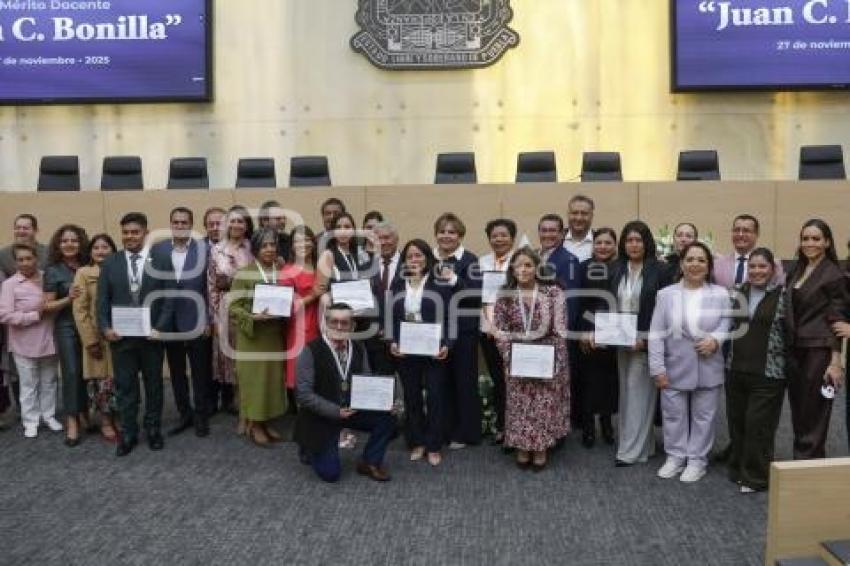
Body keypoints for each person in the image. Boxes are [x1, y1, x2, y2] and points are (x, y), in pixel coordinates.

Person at [649, 242, 731, 483]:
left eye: (701, 260)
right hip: (674, 366)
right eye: (690, 260)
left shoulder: (720, 294)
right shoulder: (665, 295)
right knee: (673, 415)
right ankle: (675, 456)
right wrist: (657, 368)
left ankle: (697, 460)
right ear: (682, 264)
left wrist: (715, 340)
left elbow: (726, 324)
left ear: (708, 266)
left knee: (704, 416)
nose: (695, 264)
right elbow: (656, 333)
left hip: (709, 364)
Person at [97, 212, 174, 457]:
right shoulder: (110, 262)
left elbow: (169, 297)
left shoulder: (161, 260)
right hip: (121, 339)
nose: (130, 236)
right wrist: (105, 328)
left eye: (135, 232)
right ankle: (129, 433)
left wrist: (160, 327)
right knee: (125, 387)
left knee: (154, 386)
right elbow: (102, 301)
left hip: (152, 337)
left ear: (145, 233)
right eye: (126, 232)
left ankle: (153, 429)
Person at [295, 303, 397, 482]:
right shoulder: (310, 350)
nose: (339, 327)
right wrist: (335, 411)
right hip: (322, 415)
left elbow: (366, 381)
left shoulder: (358, 347)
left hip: (351, 410)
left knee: (388, 417)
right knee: (331, 474)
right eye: (334, 322)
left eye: (344, 322)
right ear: (325, 323)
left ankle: (369, 461)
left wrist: (386, 401)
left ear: (352, 326)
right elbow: (303, 394)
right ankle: (309, 447)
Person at [493, 247, 570, 470]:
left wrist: (552, 359)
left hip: (546, 358)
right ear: (512, 269)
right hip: (517, 359)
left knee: (543, 405)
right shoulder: (505, 294)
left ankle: (541, 448)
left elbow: (560, 330)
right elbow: (500, 329)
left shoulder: (553, 293)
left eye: (528, 265)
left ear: (537, 268)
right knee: (519, 405)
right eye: (519, 265)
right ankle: (522, 447)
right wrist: (510, 354)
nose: (524, 269)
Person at [783, 219, 849, 460]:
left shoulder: (834, 275)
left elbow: (837, 320)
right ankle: (801, 465)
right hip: (795, 350)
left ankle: (807, 467)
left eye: (815, 238)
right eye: (805, 238)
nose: (809, 243)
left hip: (819, 353)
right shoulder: (796, 270)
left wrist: (835, 361)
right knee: (800, 413)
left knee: (815, 415)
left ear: (827, 242)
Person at [610, 221, 672, 466]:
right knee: (627, 394)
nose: (634, 245)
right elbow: (609, 306)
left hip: (645, 343)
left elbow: (666, 311)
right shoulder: (616, 269)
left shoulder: (661, 270)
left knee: (638, 394)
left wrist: (645, 341)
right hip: (621, 343)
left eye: (638, 240)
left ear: (647, 243)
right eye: (629, 240)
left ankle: (629, 452)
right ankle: (643, 444)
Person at [726, 248, 787, 493]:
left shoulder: (783, 296)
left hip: (769, 372)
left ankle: (756, 476)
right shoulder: (738, 293)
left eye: (762, 267)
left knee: (758, 425)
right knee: (737, 422)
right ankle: (739, 468)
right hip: (736, 368)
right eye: (752, 267)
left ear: (772, 269)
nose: (757, 271)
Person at [389, 239, 454, 466]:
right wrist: (392, 342)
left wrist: (447, 343)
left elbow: (449, 317)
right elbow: (390, 317)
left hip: (434, 350)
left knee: (435, 397)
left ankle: (434, 444)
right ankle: (417, 441)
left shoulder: (440, 283)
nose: (414, 260)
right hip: (406, 352)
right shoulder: (398, 284)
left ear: (427, 257)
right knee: (412, 397)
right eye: (410, 256)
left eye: (418, 255)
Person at [151, 207, 213, 438]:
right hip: (168, 321)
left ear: (191, 224)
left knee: (199, 372)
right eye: (175, 222)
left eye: (184, 222)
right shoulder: (158, 249)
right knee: (176, 372)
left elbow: (209, 288)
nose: (179, 226)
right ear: (170, 224)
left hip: (196, 318)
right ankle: (184, 414)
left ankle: (201, 417)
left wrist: (208, 319)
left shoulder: (203, 249)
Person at [229, 227, 287, 446]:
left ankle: (265, 421)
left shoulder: (281, 271)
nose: (269, 249)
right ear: (255, 249)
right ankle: (254, 424)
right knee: (254, 382)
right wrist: (252, 316)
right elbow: (233, 307)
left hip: (274, 336)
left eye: (273, 245)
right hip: (252, 337)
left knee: (271, 381)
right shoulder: (244, 274)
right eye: (264, 245)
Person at [0, 243, 60, 438]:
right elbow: (5, 316)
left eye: (29, 258)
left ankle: (49, 415)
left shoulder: (47, 277)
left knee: (49, 381)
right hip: (23, 342)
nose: (25, 263)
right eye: (20, 259)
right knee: (28, 384)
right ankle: (31, 421)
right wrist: (34, 315)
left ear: (36, 259)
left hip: (49, 338)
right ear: (15, 262)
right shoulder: (9, 284)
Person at [433, 212, 481, 449]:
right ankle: (444, 429)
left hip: (463, 332)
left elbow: (475, 296)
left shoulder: (470, 260)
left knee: (464, 382)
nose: (446, 235)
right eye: (442, 231)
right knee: (440, 383)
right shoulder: (429, 258)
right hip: (436, 333)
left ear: (460, 235)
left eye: (452, 231)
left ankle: (466, 433)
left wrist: (454, 279)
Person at [42, 224, 89, 446]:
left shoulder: (89, 265)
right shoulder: (53, 270)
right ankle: (72, 420)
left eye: (74, 240)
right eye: (64, 241)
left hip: (90, 325)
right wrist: (68, 298)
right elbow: (47, 306)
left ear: (81, 244)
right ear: (58, 245)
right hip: (67, 327)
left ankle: (85, 414)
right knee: (71, 372)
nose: (69, 244)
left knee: (90, 372)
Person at [208, 205, 255, 416]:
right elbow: (212, 285)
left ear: (247, 226)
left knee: (249, 355)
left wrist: (231, 280)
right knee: (230, 357)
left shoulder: (253, 248)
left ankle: (249, 401)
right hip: (225, 310)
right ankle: (236, 400)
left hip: (250, 307)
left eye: (241, 221)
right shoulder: (216, 250)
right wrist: (216, 318)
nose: (236, 225)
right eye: (232, 221)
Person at [72, 234, 118, 442]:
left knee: (120, 381)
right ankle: (106, 422)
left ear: (113, 250)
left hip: (119, 336)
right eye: (96, 247)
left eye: (105, 247)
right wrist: (89, 340)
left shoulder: (120, 270)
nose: (101, 251)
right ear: (90, 252)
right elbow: (80, 309)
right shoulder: (83, 273)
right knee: (101, 383)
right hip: (96, 339)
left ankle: (119, 418)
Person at [537, 213, 582, 428]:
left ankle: (555, 431)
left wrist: (559, 334)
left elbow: (570, 303)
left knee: (555, 387)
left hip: (554, 336)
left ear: (562, 233)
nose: (547, 234)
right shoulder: (534, 257)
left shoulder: (569, 260)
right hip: (532, 335)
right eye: (543, 230)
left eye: (552, 230)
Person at [577, 228, 619, 448]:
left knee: (609, 383)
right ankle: (588, 428)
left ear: (615, 245)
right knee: (589, 383)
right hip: (588, 333)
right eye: (599, 242)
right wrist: (586, 330)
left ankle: (607, 425)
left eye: (608, 243)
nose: (603, 246)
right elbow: (581, 303)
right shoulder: (583, 267)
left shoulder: (621, 268)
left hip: (615, 333)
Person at [478, 218, 517, 444]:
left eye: (503, 235)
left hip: (513, 333)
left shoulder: (519, 261)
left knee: (514, 381)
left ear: (512, 238)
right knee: (498, 380)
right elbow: (478, 297)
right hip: (487, 330)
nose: (499, 239)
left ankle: (516, 428)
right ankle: (502, 426)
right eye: (494, 236)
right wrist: (491, 326)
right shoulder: (482, 262)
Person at [280, 226, 322, 410]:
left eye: (307, 239)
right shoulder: (288, 271)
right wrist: (312, 296)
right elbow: (287, 306)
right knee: (303, 374)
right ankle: (304, 420)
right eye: (297, 240)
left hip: (322, 325)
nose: (303, 244)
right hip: (301, 327)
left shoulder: (320, 265)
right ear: (291, 245)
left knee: (320, 373)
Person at [714, 214, 785, 290]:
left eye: (746, 231)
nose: (740, 235)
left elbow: (778, 293)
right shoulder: (717, 264)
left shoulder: (773, 264)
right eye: (737, 230)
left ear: (757, 234)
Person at [367, 220, 402, 376]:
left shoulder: (410, 264)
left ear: (396, 239)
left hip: (403, 337)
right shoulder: (366, 267)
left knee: (410, 389)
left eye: (387, 237)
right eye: (379, 238)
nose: (384, 242)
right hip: (375, 339)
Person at [563, 195, 595, 262]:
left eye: (584, 213)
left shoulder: (600, 241)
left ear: (591, 216)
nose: (579, 218)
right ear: (568, 215)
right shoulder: (558, 239)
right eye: (574, 213)